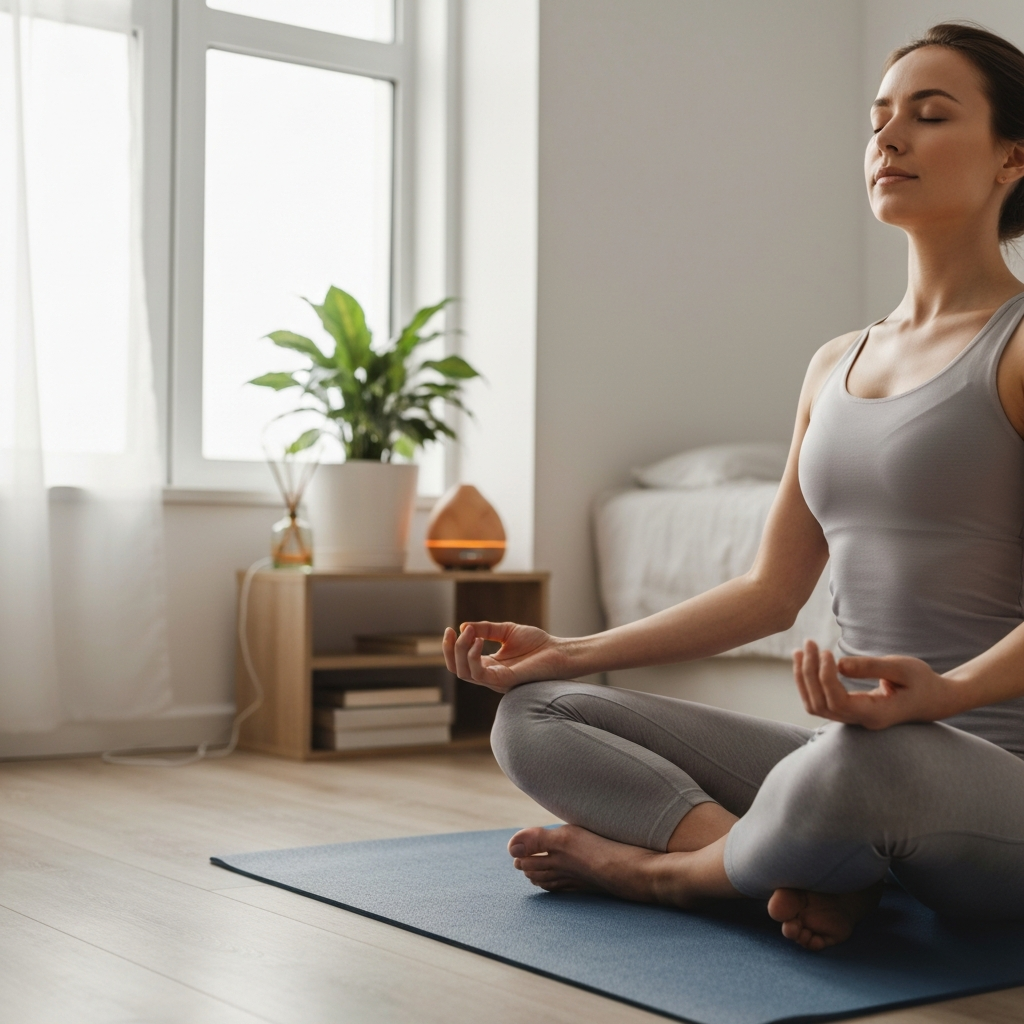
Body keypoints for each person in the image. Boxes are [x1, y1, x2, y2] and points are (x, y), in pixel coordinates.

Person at [441, 23, 1024, 951]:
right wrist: (567, 651)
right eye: (878, 120)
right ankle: (793, 870)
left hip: (985, 772)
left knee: (864, 772)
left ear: (1011, 158)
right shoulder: (835, 362)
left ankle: (668, 875)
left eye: (931, 114)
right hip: (855, 752)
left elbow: (912, 730)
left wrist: (939, 699)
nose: (889, 138)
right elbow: (769, 593)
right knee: (536, 717)